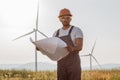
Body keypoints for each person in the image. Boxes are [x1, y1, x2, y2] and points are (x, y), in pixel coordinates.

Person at [53, 8, 83, 80]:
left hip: (73, 63)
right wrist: (42, 48)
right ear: (59, 19)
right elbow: (53, 48)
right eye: (63, 18)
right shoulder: (56, 33)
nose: (65, 19)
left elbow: (80, 46)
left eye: (67, 18)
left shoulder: (76, 30)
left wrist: (72, 48)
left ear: (70, 19)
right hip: (61, 63)